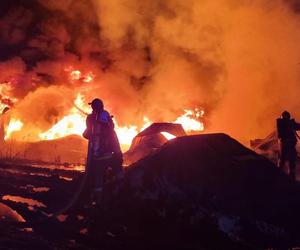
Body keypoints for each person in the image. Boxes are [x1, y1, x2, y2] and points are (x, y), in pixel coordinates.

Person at [83, 98, 123, 202]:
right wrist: (118, 155)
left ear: (93, 107)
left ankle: (97, 200)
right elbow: (115, 142)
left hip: (97, 157)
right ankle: (118, 194)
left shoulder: (91, 119)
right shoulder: (110, 129)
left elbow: (86, 134)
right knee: (117, 173)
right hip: (109, 155)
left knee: (97, 178)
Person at [276, 111, 300, 180]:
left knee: (291, 160)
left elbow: (297, 126)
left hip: (288, 144)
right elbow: (281, 134)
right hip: (285, 144)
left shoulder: (286, 123)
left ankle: (290, 176)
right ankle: (279, 176)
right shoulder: (282, 123)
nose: (286, 117)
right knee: (284, 160)